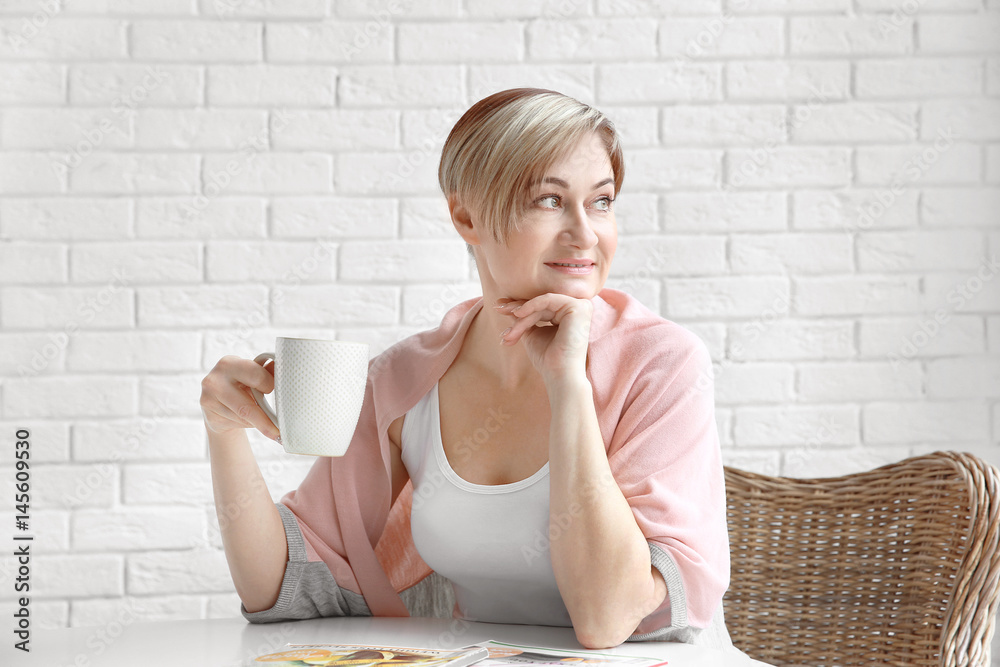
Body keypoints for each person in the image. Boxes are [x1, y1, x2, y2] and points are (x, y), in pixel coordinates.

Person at [200, 88, 732, 650]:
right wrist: (225, 432)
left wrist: (568, 383)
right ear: (465, 215)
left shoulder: (661, 365)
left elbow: (609, 617)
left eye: (601, 201)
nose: (585, 233)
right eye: (549, 201)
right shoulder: (405, 380)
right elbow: (280, 589)